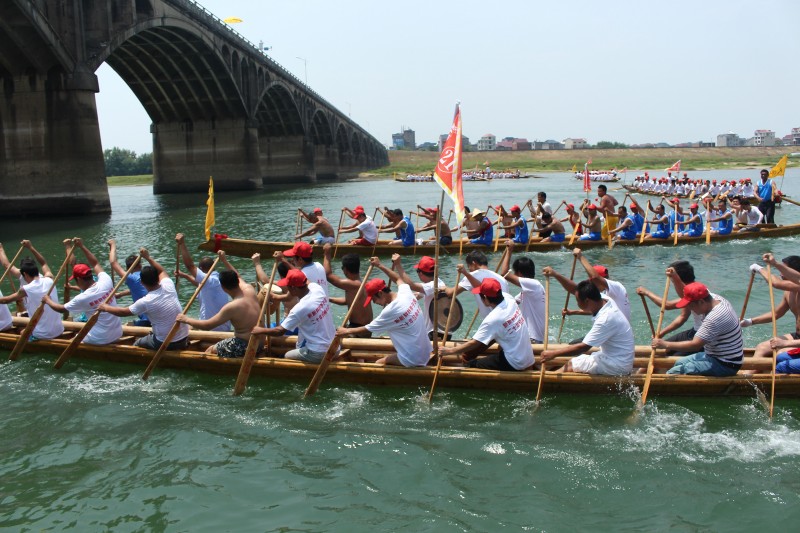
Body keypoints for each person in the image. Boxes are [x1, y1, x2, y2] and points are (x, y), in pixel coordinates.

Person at [337, 257, 432, 367]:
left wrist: (345, 331)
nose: (374, 302)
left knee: (378, 364)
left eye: (373, 299)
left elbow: (367, 328)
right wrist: (380, 265)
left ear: (381, 293)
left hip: (414, 359)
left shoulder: (390, 311)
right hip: (426, 351)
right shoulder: (405, 292)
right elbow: (398, 279)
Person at [99, 248, 189, 351]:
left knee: (137, 343)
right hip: (184, 337)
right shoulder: (168, 285)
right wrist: (148, 257)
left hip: (166, 342)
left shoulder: (146, 301)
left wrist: (105, 307)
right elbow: (161, 270)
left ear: (142, 282)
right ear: (157, 278)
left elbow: (123, 312)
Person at [539, 280, 634, 375]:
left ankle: (549, 379)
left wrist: (554, 354)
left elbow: (583, 347)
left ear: (587, 301)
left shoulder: (605, 319)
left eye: (577, 301)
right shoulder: (604, 299)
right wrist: (556, 276)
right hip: (618, 358)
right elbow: (574, 289)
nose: (577, 304)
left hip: (618, 365)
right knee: (582, 357)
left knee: (572, 363)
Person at [438, 278, 534, 371]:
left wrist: (449, 351)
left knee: (471, 364)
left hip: (516, 363)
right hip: (529, 357)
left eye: (481, 297)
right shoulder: (509, 299)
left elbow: (474, 343)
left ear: (486, 298)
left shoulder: (493, 319)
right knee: (490, 338)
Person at [41, 238, 122, 345]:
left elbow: (61, 309)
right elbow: (95, 263)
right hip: (118, 332)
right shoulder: (106, 280)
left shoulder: (83, 297)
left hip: (99, 338)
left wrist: (47, 300)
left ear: (78, 279)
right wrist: (82, 246)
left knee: (69, 342)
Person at [653, 282, 743, 376]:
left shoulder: (714, 318)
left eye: (691, 306)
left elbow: (695, 345)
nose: (691, 310)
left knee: (672, 372)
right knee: (679, 363)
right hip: (715, 355)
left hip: (725, 364)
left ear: (701, 302)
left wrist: (665, 344)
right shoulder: (715, 298)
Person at [251, 269, 335, 363]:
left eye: (288, 287)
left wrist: (260, 330)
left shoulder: (299, 308)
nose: (287, 289)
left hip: (319, 353)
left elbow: (279, 331)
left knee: (287, 356)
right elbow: (304, 280)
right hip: (335, 347)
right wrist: (276, 296)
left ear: (294, 288)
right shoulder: (316, 288)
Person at [175, 269, 261, 357]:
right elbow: (238, 275)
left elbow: (208, 326)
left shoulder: (232, 306)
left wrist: (186, 319)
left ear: (223, 288)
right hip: (260, 343)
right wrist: (223, 259)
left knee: (210, 350)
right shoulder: (250, 289)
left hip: (246, 346)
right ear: (237, 281)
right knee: (218, 346)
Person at [637, 261, 711, 357]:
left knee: (670, 357)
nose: (672, 284)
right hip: (693, 331)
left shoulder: (698, 293)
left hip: (700, 337)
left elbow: (667, 305)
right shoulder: (693, 291)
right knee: (662, 350)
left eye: (672, 281)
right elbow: (682, 317)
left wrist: (647, 292)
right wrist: (661, 333)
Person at [740, 254, 800, 369]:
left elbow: (776, 283)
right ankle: (749, 378)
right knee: (762, 347)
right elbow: (776, 313)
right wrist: (750, 321)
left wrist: (759, 269)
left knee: (781, 353)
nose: (781, 274)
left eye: (784, 270)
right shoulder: (789, 292)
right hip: (797, 336)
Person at [545, 248, 631, 323]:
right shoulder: (599, 293)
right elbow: (575, 290)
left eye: (592, 281)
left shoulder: (617, 287)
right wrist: (555, 275)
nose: (591, 284)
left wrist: (580, 257)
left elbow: (595, 277)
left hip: (616, 334)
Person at [0, 240, 64, 340]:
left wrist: (1, 249)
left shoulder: (26, 289)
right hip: (60, 330)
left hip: (41, 335)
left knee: (20, 330)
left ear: (24, 274)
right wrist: (31, 247)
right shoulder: (50, 279)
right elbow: (43, 263)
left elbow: (5, 300)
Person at [175, 233, 230, 332]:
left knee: (180, 329)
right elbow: (199, 284)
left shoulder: (211, 281)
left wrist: (182, 244)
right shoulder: (216, 279)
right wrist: (185, 275)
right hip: (214, 325)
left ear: (201, 269)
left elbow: (190, 266)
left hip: (214, 329)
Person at [322, 243, 373, 337]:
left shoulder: (354, 284)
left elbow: (328, 275)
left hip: (359, 331)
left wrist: (327, 253)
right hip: (360, 328)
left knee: (325, 336)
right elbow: (348, 301)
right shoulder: (361, 282)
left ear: (345, 269)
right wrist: (329, 299)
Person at [392, 253, 446, 340]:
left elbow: (411, 285)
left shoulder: (434, 285)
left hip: (436, 333)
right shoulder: (435, 283)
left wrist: (398, 265)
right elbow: (416, 295)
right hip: (436, 330)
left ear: (420, 273)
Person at [499, 241, 545, 343]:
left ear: (519, 273)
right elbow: (512, 302)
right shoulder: (529, 291)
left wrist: (509, 250)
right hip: (534, 337)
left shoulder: (534, 284)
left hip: (532, 339)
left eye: (515, 272)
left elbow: (504, 273)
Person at [445, 250, 508, 319]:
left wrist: (444, 288)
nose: (469, 269)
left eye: (469, 266)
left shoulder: (473, 275)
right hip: (506, 317)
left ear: (473, 263)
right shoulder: (502, 279)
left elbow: (451, 293)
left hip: (493, 321)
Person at [108, 239, 150, 326]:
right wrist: (121, 294)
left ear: (127, 269)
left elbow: (113, 262)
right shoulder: (148, 275)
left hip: (148, 320)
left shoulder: (131, 278)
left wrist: (113, 245)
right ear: (140, 265)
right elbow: (139, 289)